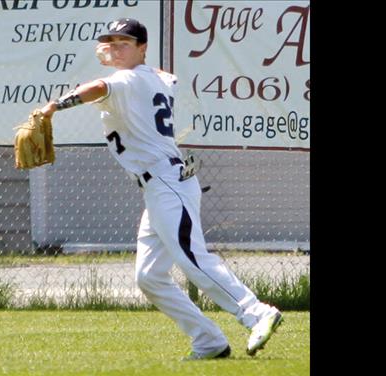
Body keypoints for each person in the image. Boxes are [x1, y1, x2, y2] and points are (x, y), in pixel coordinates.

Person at [41, 18, 283, 360]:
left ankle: (256, 312)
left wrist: (54, 106)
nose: (115, 47)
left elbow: (97, 87)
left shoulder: (125, 79)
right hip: (158, 188)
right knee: (150, 277)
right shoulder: (154, 79)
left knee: (192, 257)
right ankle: (209, 341)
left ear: (142, 47)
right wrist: (118, 57)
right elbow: (157, 77)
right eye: (110, 41)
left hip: (167, 183)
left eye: (124, 42)